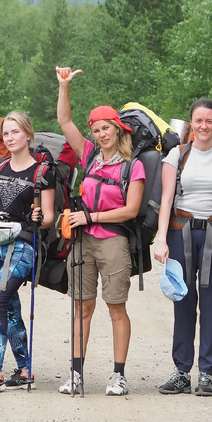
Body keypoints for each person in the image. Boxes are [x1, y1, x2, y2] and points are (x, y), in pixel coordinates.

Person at [55, 66, 145, 397]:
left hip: (113, 243)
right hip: (83, 243)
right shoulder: (90, 156)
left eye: (105, 128)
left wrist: (90, 216)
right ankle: (76, 373)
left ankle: (118, 375)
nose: (100, 134)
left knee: (116, 307)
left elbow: (131, 210)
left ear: (118, 129)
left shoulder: (132, 165)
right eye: (95, 129)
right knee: (81, 307)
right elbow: (65, 122)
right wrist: (64, 87)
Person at [154, 98, 212, 396]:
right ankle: (182, 370)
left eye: (209, 121)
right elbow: (167, 200)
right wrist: (161, 238)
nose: (203, 126)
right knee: (183, 299)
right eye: (198, 121)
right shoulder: (176, 155)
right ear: (190, 123)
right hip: (181, 233)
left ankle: (206, 371)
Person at [0, 111, 56, 393]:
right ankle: (24, 370)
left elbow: (49, 217)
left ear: (28, 135)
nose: (10, 138)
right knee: (11, 307)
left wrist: (38, 218)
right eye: (6, 133)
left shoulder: (43, 172)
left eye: (15, 132)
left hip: (23, 246)